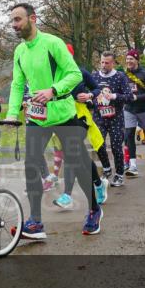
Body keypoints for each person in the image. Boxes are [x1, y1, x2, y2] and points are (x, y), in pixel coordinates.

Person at [4, 3, 105, 238]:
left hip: (62, 113)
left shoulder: (52, 43)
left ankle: (94, 209)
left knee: (78, 164)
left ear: (33, 19)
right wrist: (11, 113)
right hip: (37, 117)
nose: (14, 25)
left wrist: (53, 90)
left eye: (18, 19)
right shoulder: (19, 51)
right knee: (32, 166)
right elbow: (18, 84)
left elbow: (75, 74)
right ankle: (35, 222)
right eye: (12, 21)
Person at [53, 44, 110, 210]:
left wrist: (89, 95)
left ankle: (67, 195)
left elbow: (97, 88)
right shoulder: (54, 75)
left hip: (81, 116)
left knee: (71, 153)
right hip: (63, 116)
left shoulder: (81, 72)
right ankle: (99, 183)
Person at [91, 51, 132, 188]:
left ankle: (119, 174)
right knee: (98, 144)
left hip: (116, 118)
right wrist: (91, 100)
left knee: (116, 147)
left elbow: (129, 96)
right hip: (99, 117)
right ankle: (107, 168)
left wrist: (114, 96)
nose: (103, 65)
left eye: (107, 63)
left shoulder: (120, 77)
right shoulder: (94, 76)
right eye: (102, 62)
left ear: (113, 63)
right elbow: (90, 93)